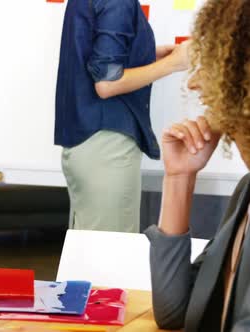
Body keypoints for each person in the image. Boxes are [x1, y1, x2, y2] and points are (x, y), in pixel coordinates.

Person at [145, 0, 250, 330]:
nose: (192, 83)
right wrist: (179, 176)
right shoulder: (245, 192)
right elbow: (175, 312)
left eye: (210, 62)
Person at [55, 0, 190, 233]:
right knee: (108, 260)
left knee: (90, 255)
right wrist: (173, 63)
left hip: (88, 144)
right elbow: (107, 83)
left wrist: (148, 54)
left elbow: (98, 60)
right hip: (107, 146)